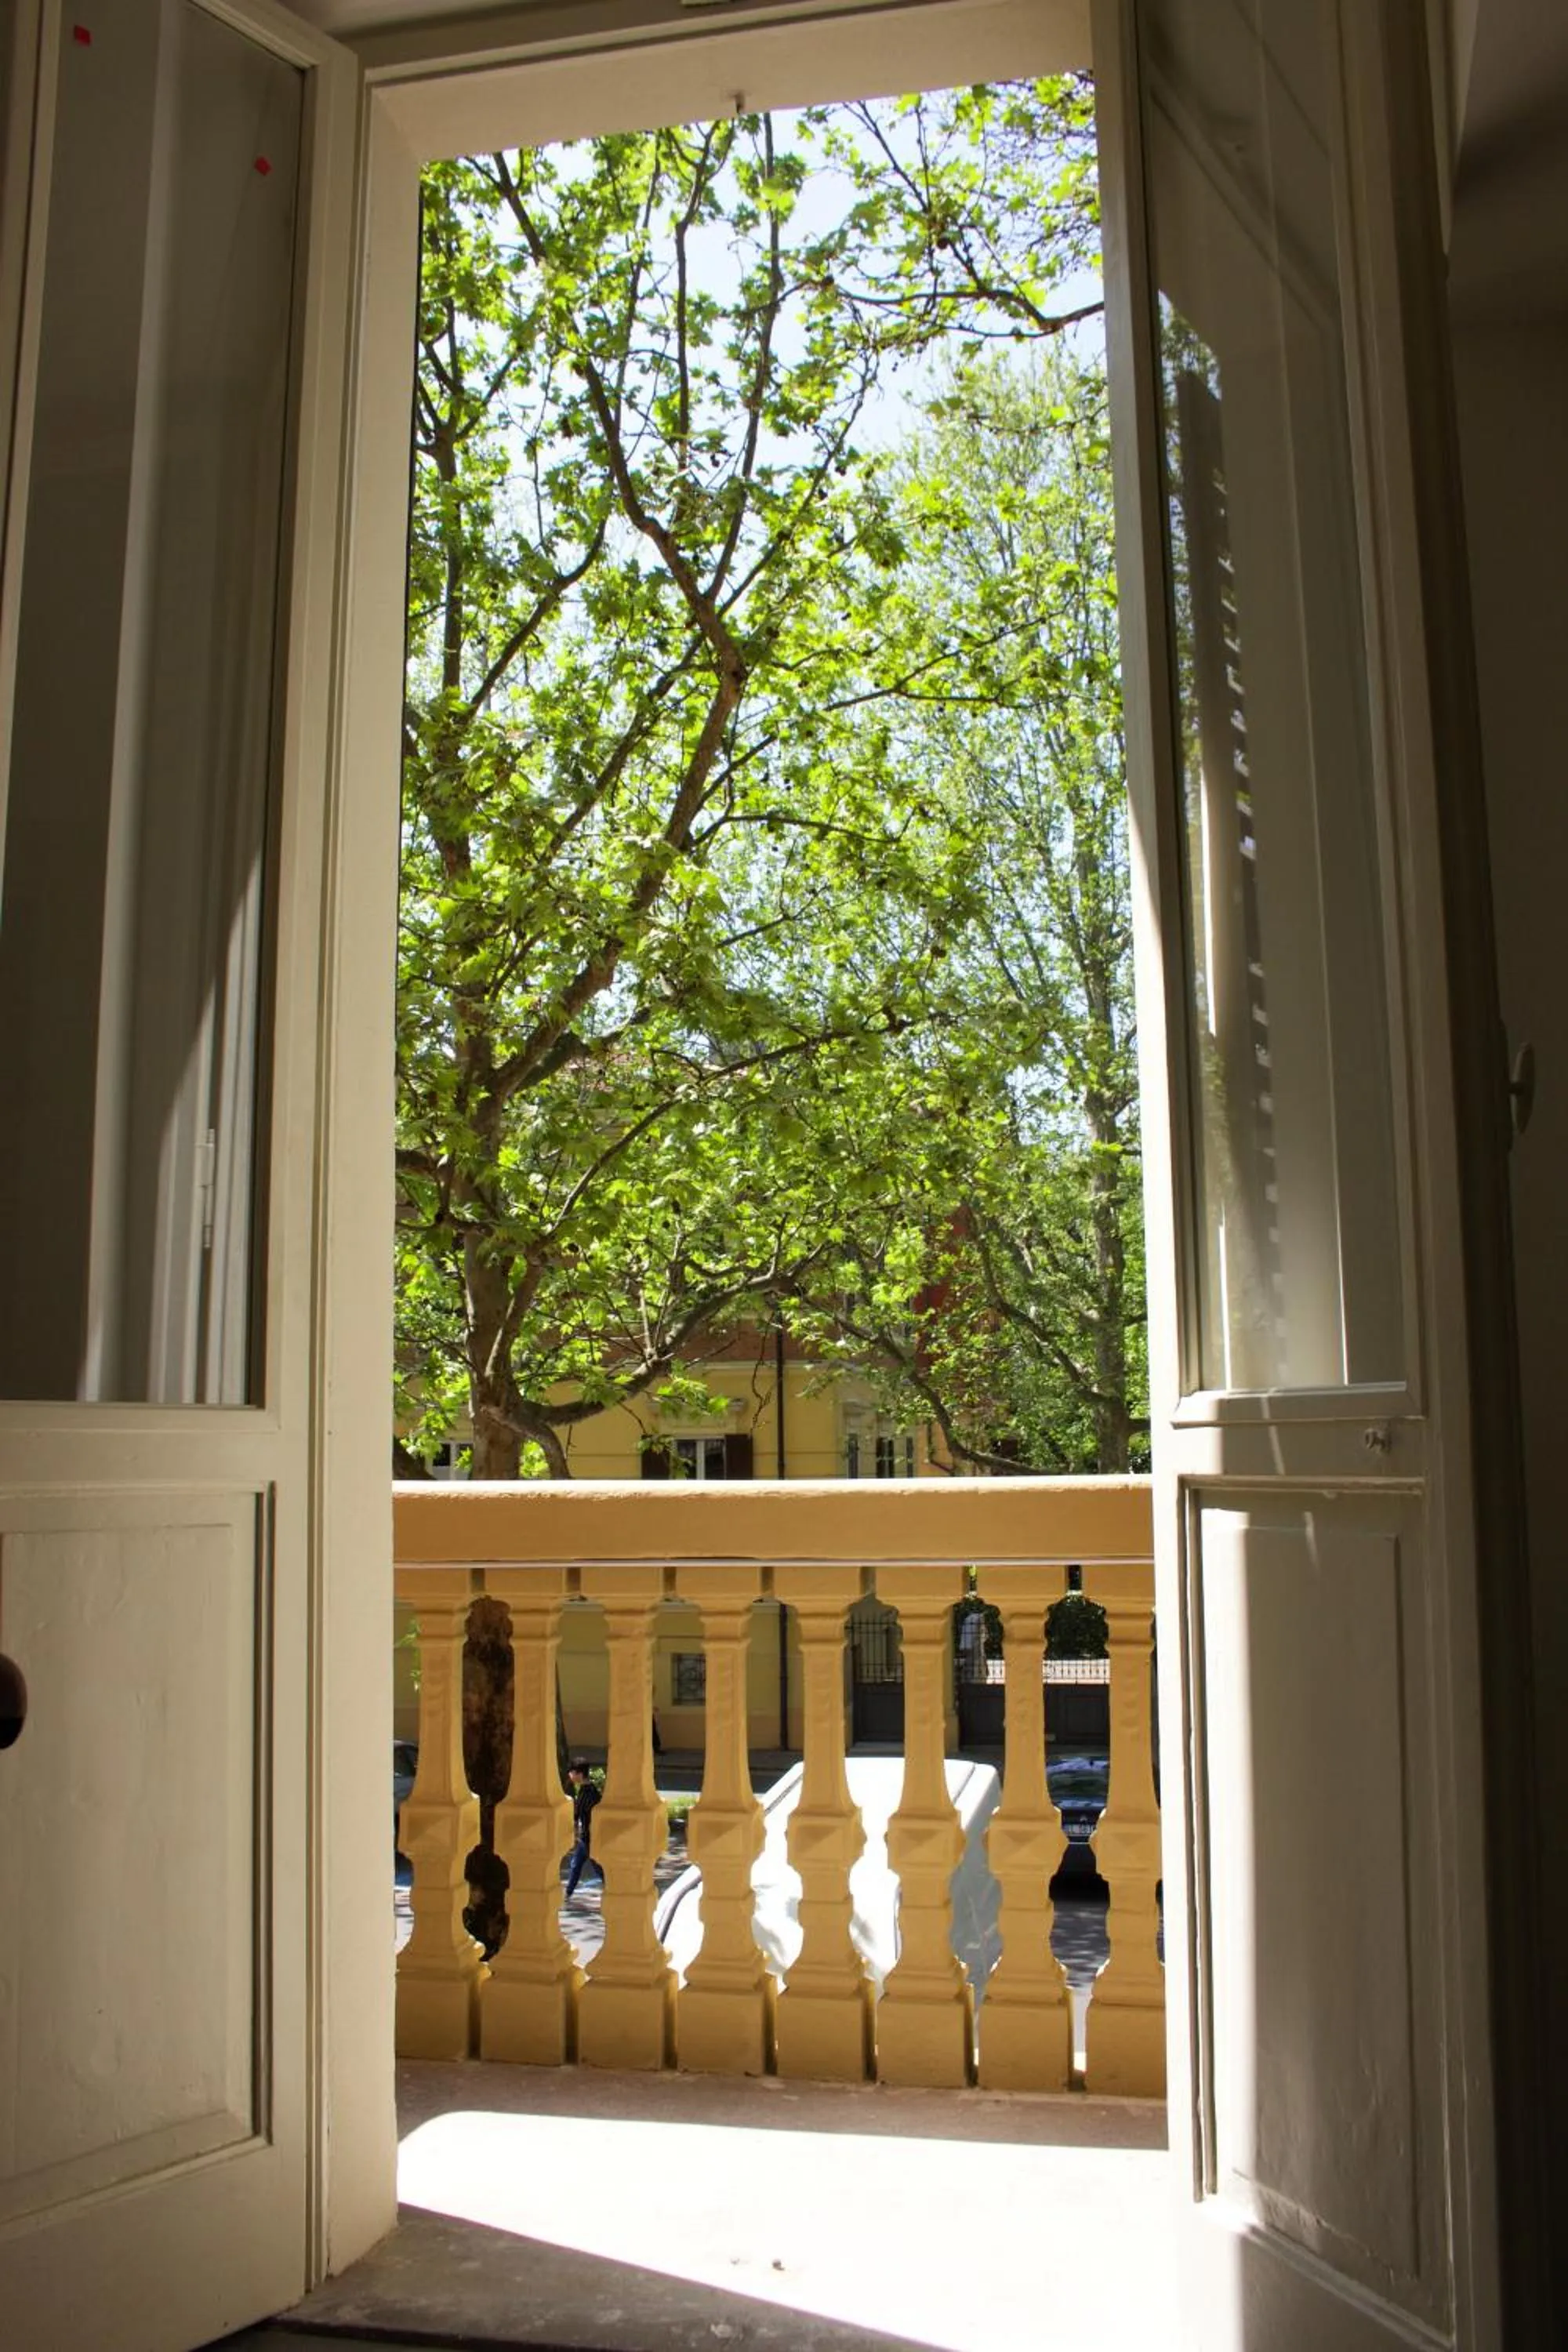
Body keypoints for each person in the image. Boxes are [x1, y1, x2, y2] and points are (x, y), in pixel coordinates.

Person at [564, 1759, 604, 1900]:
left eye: (572, 1772)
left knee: (596, 1866)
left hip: (588, 1837)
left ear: (579, 1774)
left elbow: (578, 1815)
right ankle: (568, 1892)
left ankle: (612, 1887)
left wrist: (573, 1829)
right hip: (589, 1836)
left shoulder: (585, 1794)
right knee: (577, 1864)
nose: (570, 1775)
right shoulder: (592, 1790)